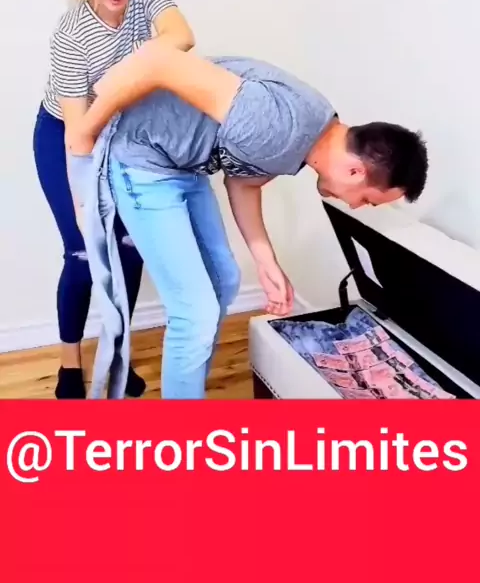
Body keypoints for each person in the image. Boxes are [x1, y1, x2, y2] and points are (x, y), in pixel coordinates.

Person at [66, 43, 428, 400]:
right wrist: (84, 133)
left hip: (183, 164)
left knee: (224, 281)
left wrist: (266, 261)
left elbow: (243, 181)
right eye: (366, 199)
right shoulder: (275, 123)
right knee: (195, 313)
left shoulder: (312, 134)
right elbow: (159, 61)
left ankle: (186, 390)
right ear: (355, 171)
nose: (357, 206)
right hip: (142, 158)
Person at [32, 0, 195, 400]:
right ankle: (70, 364)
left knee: (128, 248)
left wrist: (122, 78)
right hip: (66, 134)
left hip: (123, 134)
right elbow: (78, 132)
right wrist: (85, 204)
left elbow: (181, 35)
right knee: (83, 253)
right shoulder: (71, 34)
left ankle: (118, 352)